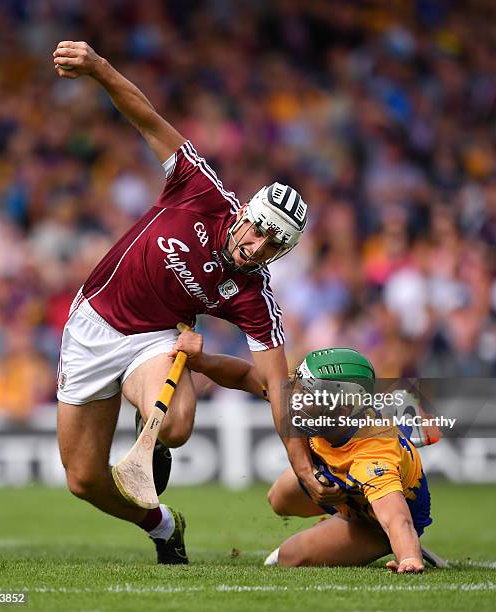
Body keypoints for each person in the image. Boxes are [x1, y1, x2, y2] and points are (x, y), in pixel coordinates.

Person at [52, 41, 334, 565]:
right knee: (84, 479)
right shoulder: (199, 189)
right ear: (245, 211)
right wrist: (96, 67)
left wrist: (300, 463)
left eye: (273, 244)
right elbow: (147, 116)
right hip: (93, 323)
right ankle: (161, 525)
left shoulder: (253, 294)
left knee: (177, 424)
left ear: (283, 251)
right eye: (256, 230)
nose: (255, 246)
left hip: (152, 342)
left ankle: (152, 436)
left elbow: (276, 384)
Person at [171, 330, 432, 573]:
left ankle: (375, 540)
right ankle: (339, 517)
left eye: (309, 394)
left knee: (289, 557)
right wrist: (201, 361)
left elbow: (398, 519)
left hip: (374, 519)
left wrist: (408, 557)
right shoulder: (325, 410)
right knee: (279, 498)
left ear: (342, 408)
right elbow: (244, 375)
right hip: (342, 483)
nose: (296, 399)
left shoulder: (373, 455)